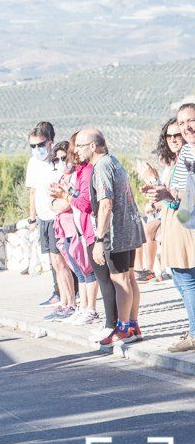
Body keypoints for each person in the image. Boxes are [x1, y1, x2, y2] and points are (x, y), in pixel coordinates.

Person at [76, 129, 146, 346]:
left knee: (120, 280)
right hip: (129, 228)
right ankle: (133, 325)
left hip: (115, 233)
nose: (76, 150)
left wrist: (99, 240)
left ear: (93, 147)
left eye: (79, 145)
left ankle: (124, 328)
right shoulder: (113, 161)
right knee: (129, 278)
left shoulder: (102, 166)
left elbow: (106, 204)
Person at [144, 104, 195, 351]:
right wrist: (161, 193)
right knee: (182, 280)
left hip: (187, 227)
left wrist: (164, 190)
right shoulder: (181, 159)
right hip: (178, 224)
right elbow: (179, 198)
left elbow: (186, 198)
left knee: (186, 281)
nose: (184, 131)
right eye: (176, 130)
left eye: (189, 123)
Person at [49, 136, 99, 325]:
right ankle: (83, 307)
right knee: (79, 272)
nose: (62, 162)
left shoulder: (81, 174)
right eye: (58, 159)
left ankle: (90, 309)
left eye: (64, 157)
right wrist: (59, 201)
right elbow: (54, 204)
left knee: (87, 270)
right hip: (67, 230)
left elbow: (71, 203)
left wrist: (63, 199)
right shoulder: (64, 178)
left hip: (78, 229)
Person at [26, 123, 74, 309]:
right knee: (54, 262)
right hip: (43, 218)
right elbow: (33, 191)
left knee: (62, 262)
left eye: (40, 144)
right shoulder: (33, 163)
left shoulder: (57, 161)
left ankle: (70, 301)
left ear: (50, 142)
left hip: (57, 217)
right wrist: (32, 218)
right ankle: (64, 300)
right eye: (33, 146)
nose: (37, 149)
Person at [137, 117, 186, 283]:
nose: (172, 139)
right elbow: (168, 196)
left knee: (186, 284)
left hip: (183, 227)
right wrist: (153, 194)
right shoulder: (172, 167)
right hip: (172, 224)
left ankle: (149, 269)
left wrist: (154, 181)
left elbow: (176, 197)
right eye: (169, 136)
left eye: (177, 135)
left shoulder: (185, 164)